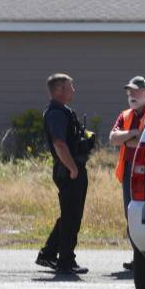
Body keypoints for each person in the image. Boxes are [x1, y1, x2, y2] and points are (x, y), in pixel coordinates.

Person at [35, 73, 92, 274]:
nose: (73, 90)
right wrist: (73, 168)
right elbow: (60, 144)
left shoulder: (64, 111)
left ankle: (49, 253)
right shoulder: (56, 114)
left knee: (70, 215)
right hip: (69, 170)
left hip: (71, 168)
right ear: (59, 90)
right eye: (70, 87)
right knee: (71, 217)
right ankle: (66, 261)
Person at [109, 76, 145, 271]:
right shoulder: (126, 115)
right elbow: (113, 138)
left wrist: (127, 139)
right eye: (129, 92)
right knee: (131, 214)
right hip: (129, 169)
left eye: (136, 92)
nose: (131, 96)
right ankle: (138, 257)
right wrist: (133, 133)